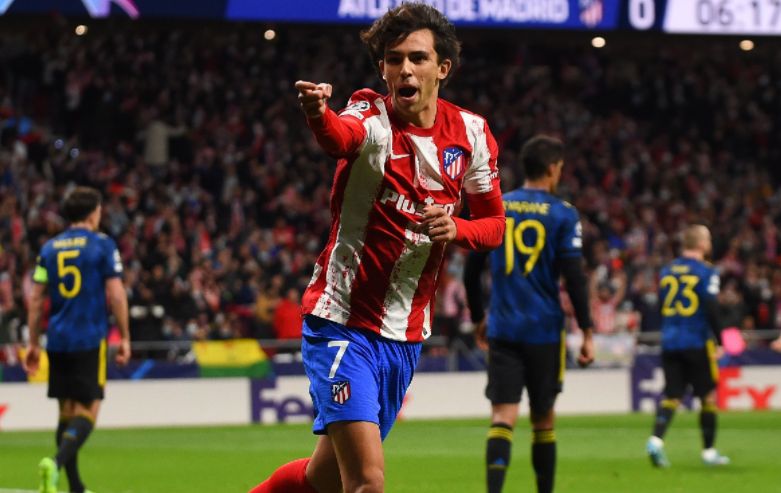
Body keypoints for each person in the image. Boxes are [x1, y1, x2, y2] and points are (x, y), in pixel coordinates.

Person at [248, 4, 505, 493]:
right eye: (393, 59)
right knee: (367, 482)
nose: (403, 69)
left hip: (403, 336)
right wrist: (317, 112)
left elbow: (494, 224)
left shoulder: (471, 134)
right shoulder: (369, 112)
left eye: (417, 58)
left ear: (442, 68)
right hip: (340, 321)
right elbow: (340, 138)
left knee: (318, 478)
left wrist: (459, 230)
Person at [464, 135, 595, 493]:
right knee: (543, 421)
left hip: (503, 329)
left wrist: (479, 316)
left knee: (502, 417)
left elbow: (471, 269)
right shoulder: (563, 214)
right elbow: (574, 278)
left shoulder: (498, 207)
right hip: (545, 332)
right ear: (553, 169)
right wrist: (587, 330)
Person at [23, 186, 131, 493]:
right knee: (88, 412)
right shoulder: (102, 245)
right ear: (93, 212)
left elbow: (35, 299)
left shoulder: (49, 249)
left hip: (57, 339)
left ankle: (75, 487)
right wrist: (124, 336)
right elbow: (116, 293)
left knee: (66, 412)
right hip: (88, 337)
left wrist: (32, 343)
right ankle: (55, 464)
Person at [645, 224, 730, 467]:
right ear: (702, 244)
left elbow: (662, 304)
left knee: (672, 394)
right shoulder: (706, 272)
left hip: (670, 340)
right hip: (696, 340)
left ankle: (655, 440)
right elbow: (711, 306)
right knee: (708, 397)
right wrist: (720, 340)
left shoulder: (667, 271)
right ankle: (709, 453)